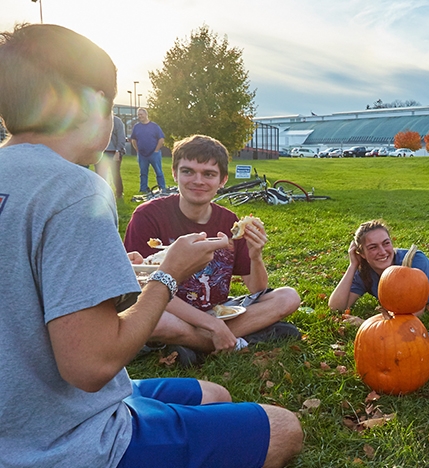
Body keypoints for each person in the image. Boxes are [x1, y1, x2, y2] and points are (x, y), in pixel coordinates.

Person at [0, 24, 302, 468]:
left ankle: (214, 340)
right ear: (96, 104)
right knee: (283, 428)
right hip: (62, 439)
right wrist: (166, 275)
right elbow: (91, 366)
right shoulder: (76, 190)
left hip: (29, 402)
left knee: (215, 394)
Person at [124, 134, 301, 367]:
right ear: (175, 173)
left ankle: (194, 345)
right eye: (188, 171)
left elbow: (257, 289)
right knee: (157, 323)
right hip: (168, 312)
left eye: (208, 174)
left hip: (215, 310)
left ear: (223, 180)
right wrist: (214, 326)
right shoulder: (148, 216)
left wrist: (255, 256)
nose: (198, 181)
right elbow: (144, 290)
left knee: (288, 296)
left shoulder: (228, 221)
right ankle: (236, 340)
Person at [328, 219, 429, 312]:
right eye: (373, 247)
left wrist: (367, 323)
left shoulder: (413, 260)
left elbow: (413, 311)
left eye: (386, 243)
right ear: (361, 253)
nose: (383, 251)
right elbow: (336, 307)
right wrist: (353, 266)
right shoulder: (365, 272)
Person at [130, 107, 166, 193]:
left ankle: (162, 188)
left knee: (159, 172)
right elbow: (133, 139)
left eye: (141, 114)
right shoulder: (136, 127)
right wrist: (137, 150)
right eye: (138, 115)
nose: (140, 116)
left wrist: (156, 150)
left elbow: (161, 139)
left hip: (154, 154)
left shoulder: (154, 126)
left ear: (146, 114)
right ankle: (143, 189)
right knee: (143, 173)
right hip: (142, 155)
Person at [94, 114, 126, 198]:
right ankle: (101, 193)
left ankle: (119, 193)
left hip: (113, 152)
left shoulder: (117, 121)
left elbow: (121, 137)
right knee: (100, 174)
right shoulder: (97, 120)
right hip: (100, 152)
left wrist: (118, 151)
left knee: (115, 174)